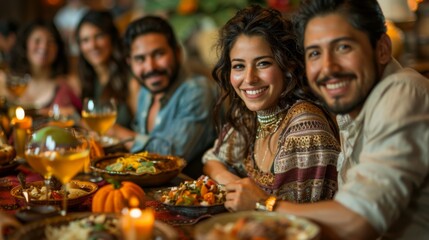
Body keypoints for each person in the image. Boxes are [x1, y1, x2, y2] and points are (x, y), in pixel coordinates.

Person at [260, 0, 429, 239]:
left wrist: (265, 205)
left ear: (382, 49)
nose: (328, 67)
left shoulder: (403, 92)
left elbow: (360, 219)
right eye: (315, 53)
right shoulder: (351, 107)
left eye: (343, 47)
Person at [202, 4, 340, 210]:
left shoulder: (305, 128)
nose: (249, 79)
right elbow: (212, 160)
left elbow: (296, 226)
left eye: (263, 63)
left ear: (288, 66)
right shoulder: (250, 114)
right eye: (239, 66)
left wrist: (253, 201)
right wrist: (236, 185)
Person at [111, 15, 217, 178]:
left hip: (190, 194)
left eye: (159, 54)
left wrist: (114, 131)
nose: (150, 67)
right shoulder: (146, 90)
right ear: (129, 63)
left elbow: (169, 156)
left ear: (177, 53)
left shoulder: (197, 90)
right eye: (140, 59)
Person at [0, 19, 81, 116]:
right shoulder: (6, 81)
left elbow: (83, 119)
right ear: (25, 44)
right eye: (37, 41)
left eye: (50, 41)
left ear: (58, 48)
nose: (44, 47)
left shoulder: (70, 84)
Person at [75, 10, 137, 129]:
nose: (93, 46)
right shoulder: (88, 79)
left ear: (112, 38)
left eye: (99, 36)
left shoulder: (131, 79)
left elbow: (144, 135)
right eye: (85, 40)